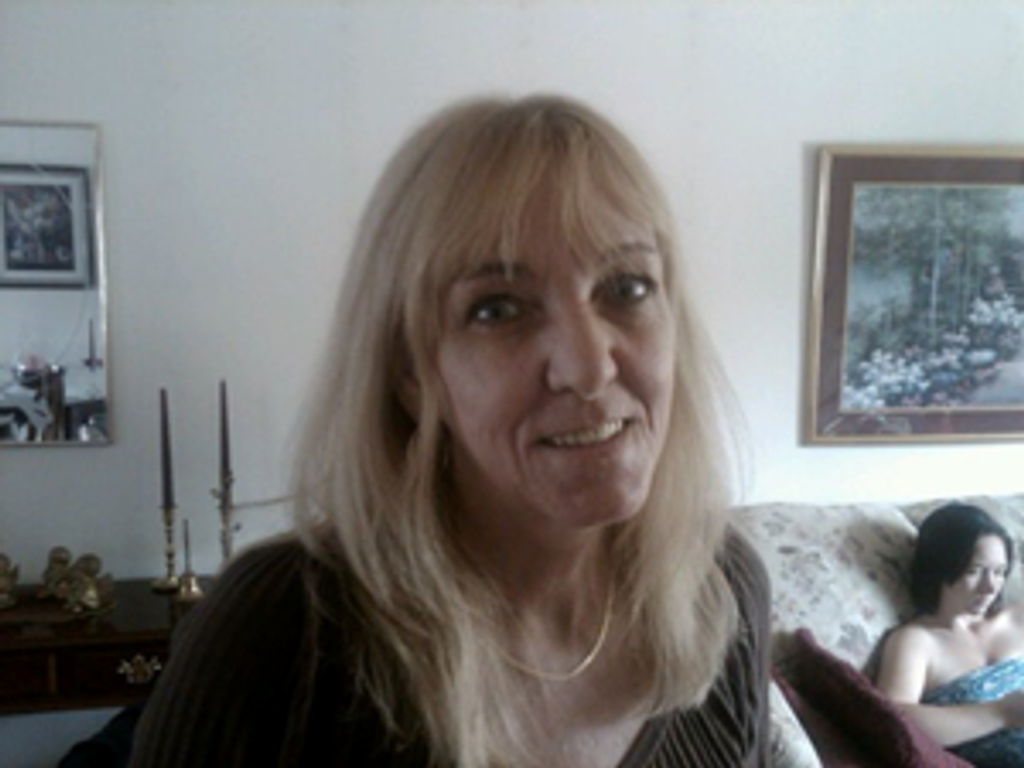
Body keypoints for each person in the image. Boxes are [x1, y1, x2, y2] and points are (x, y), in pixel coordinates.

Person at [128, 94, 770, 767]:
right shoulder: (281, 633)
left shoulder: (721, 589)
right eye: (499, 310)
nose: (588, 367)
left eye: (627, 288)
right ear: (410, 372)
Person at [877, 502, 1024, 767]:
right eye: (974, 571)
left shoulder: (1017, 618)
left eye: (999, 572)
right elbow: (891, 719)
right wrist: (1000, 713)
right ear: (940, 569)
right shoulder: (916, 641)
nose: (990, 586)